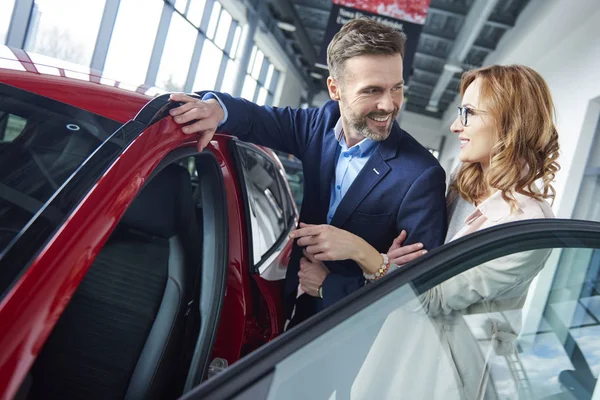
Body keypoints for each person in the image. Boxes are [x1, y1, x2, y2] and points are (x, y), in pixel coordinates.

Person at [291, 64, 560, 398]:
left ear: (510, 121)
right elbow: (411, 265)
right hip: (392, 350)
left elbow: (433, 296)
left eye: (469, 113)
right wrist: (383, 263)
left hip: (439, 376)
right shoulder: (461, 182)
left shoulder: (526, 227)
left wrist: (361, 252)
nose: (455, 125)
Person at [168, 18, 447, 327]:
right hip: (294, 310)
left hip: (357, 332)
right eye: (372, 90)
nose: (389, 104)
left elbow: (422, 293)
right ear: (334, 89)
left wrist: (333, 283)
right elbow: (255, 119)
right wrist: (215, 109)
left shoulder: (421, 175)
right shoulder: (320, 125)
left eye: (396, 88)